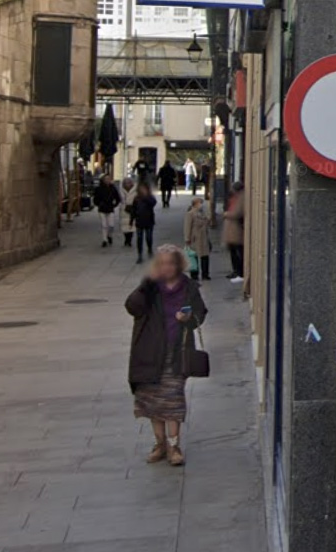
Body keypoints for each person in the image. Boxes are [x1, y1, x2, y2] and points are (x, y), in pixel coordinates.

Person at [126, 245, 208, 467]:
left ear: (179, 264)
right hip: (150, 352)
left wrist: (188, 319)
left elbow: (200, 313)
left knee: (173, 400)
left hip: (177, 352)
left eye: (171, 263)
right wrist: (145, 284)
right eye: (162, 263)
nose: (167, 267)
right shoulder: (150, 288)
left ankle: (174, 446)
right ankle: (159, 444)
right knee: (152, 401)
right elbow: (132, 307)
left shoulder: (189, 287)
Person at [184, 196, 214, 281]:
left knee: (205, 256)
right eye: (200, 203)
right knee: (194, 256)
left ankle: (205, 274)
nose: (201, 205)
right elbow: (187, 227)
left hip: (204, 237)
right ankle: (194, 275)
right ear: (195, 204)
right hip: (195, 238)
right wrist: (187, 238)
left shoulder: (202, 213)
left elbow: (208, 222)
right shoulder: (190, 214)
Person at [223, 182, 246, 286]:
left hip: (236, 229)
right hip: (232, 229)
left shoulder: (241, 198)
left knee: (238, 252)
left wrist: (227, 214)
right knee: (233, 251)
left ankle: (239, 272)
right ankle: (236, 271)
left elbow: (237, 212)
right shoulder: (236, 197)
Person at [131, 183, 158, 263]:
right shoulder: (136, 198)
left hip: (149, 220)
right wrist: (131, 220)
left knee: (149, 237)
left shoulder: (150, 197)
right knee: (139, 238)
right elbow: (133, 210)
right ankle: (140, 255)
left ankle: (149, 248)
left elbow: (153, 203)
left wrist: (146, 197)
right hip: (139, 220)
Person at [93, 174, 122, 247]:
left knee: (111, 225)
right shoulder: (98, 189)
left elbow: (118, 198)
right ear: (103, 180)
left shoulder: (113, 188)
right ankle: (104, 239)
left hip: (110, 208)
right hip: (102, 209)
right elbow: (95, 199)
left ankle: (109, 235)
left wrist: (114, 205)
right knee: (104, 225)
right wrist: (99, 204)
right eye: (106, 179)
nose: (107, 180)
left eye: (109, 179)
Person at [120, 177, 138, 247]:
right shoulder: (121, 190)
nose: (127, 184)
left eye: (129, 182)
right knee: (124, 226)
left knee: (132, 225)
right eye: (126, 183)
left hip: (132, 209)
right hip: (124, 209)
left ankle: (129, 240)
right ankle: (126, 238)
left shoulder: (135, 190)